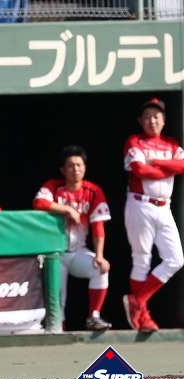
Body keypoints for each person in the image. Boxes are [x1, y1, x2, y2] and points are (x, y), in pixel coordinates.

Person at [32, 145, 112, 332]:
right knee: (59, 300)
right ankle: (58, 331)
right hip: (55, 254)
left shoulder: (93, 190)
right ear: (63, 169)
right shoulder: (54, 186)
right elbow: (38, 202)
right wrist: (67, 209)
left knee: (100, 269)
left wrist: (99, 255)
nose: (75, 169)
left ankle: (94, 316)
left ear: (85, 167)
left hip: (78, 251)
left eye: (79, 165)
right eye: (70, 165)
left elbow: (98, 225)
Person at [123, 97, 184, 332]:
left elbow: (182, 166)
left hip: (164, 206)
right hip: (141, 203)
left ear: (164, 119)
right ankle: (143, 315)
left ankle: (138, 300)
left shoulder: (171, 143)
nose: (152, 120)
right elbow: (139, 169)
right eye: (147, 116)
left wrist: (156, 162)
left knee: (176, 260)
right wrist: (167, 169)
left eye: (156, 116)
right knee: (142, 258)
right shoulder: (135, 140)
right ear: (140, 120)